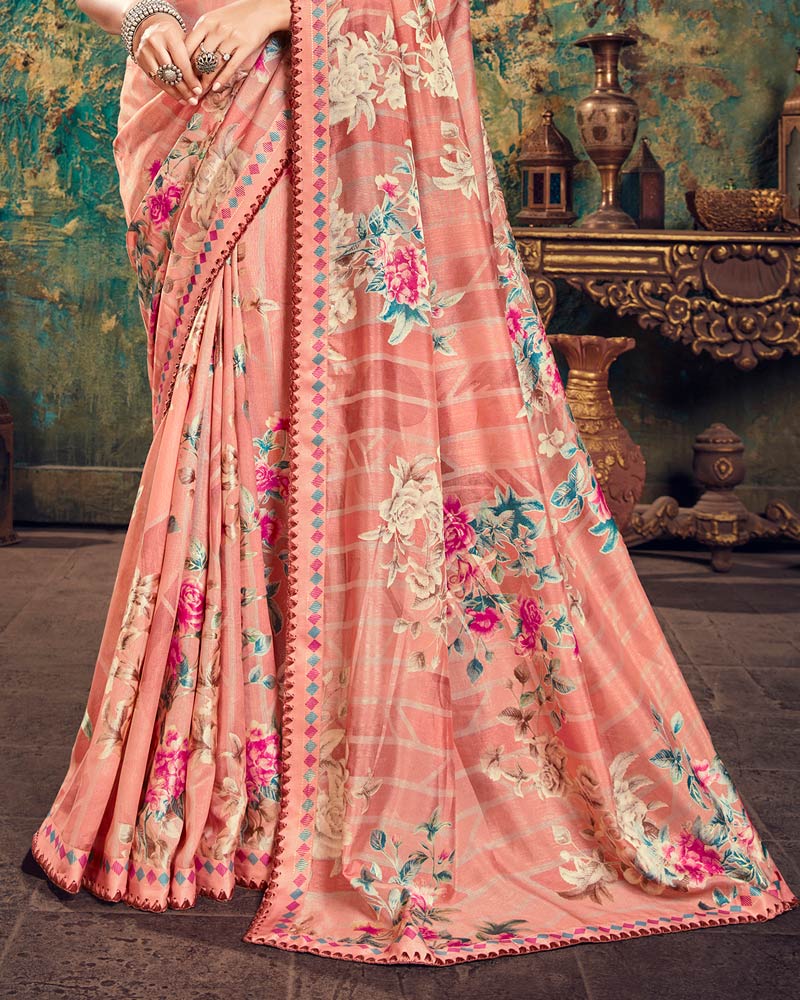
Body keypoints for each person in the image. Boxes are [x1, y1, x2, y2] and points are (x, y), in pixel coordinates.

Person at [32, 0, 797, 965]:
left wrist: (277, 10)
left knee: (294, 425)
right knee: (233, 432)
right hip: (193, 114)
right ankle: (236, 790)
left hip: (316, 113)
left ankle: (305, 780)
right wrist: (143, 20)